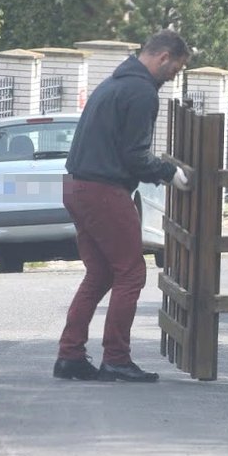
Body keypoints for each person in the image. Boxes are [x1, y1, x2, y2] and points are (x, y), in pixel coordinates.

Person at [53, 30, 193, 383]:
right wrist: (169, 172)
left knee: (100, 273)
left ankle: (70, 355)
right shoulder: (141, 92)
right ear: (163, 58)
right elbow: (135, 156)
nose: (172, 77)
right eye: (175, 70)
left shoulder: (114, 82)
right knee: (131, 272)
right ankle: (116, 358)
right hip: (103, 190)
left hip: (77, 186)